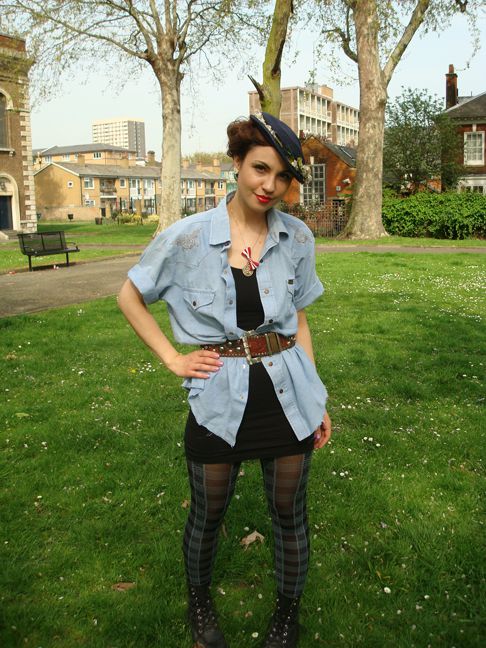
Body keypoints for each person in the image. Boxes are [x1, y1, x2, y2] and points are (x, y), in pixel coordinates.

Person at [118, 111, 332, 648]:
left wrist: (317, 398)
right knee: (208, 512)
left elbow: (300, 321)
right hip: (218, 398)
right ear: (236, 162)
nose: (270, 185)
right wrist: (173, 358)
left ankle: (287, 616)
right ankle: (199, 602)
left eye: (282, 176)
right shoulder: (187, 238)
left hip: (288, 396)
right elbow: (130, 295)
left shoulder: (298, 238)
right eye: (260, 168)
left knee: (289, 514)